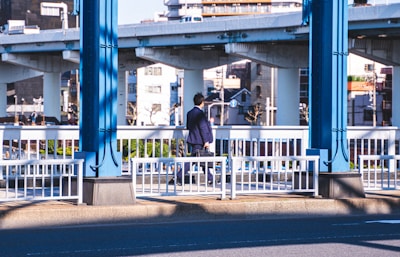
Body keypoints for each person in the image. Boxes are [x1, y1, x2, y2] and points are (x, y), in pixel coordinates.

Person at [174, 93, 214, 185]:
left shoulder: (189, 113)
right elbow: (203, 128)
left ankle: (210, 178)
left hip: (193, 139)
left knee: (202, 159)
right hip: (200, 141)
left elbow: (189, 126)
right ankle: (179, 176)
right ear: (202, 102)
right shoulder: (200, 114)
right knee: (195, 160)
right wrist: (206, 141)